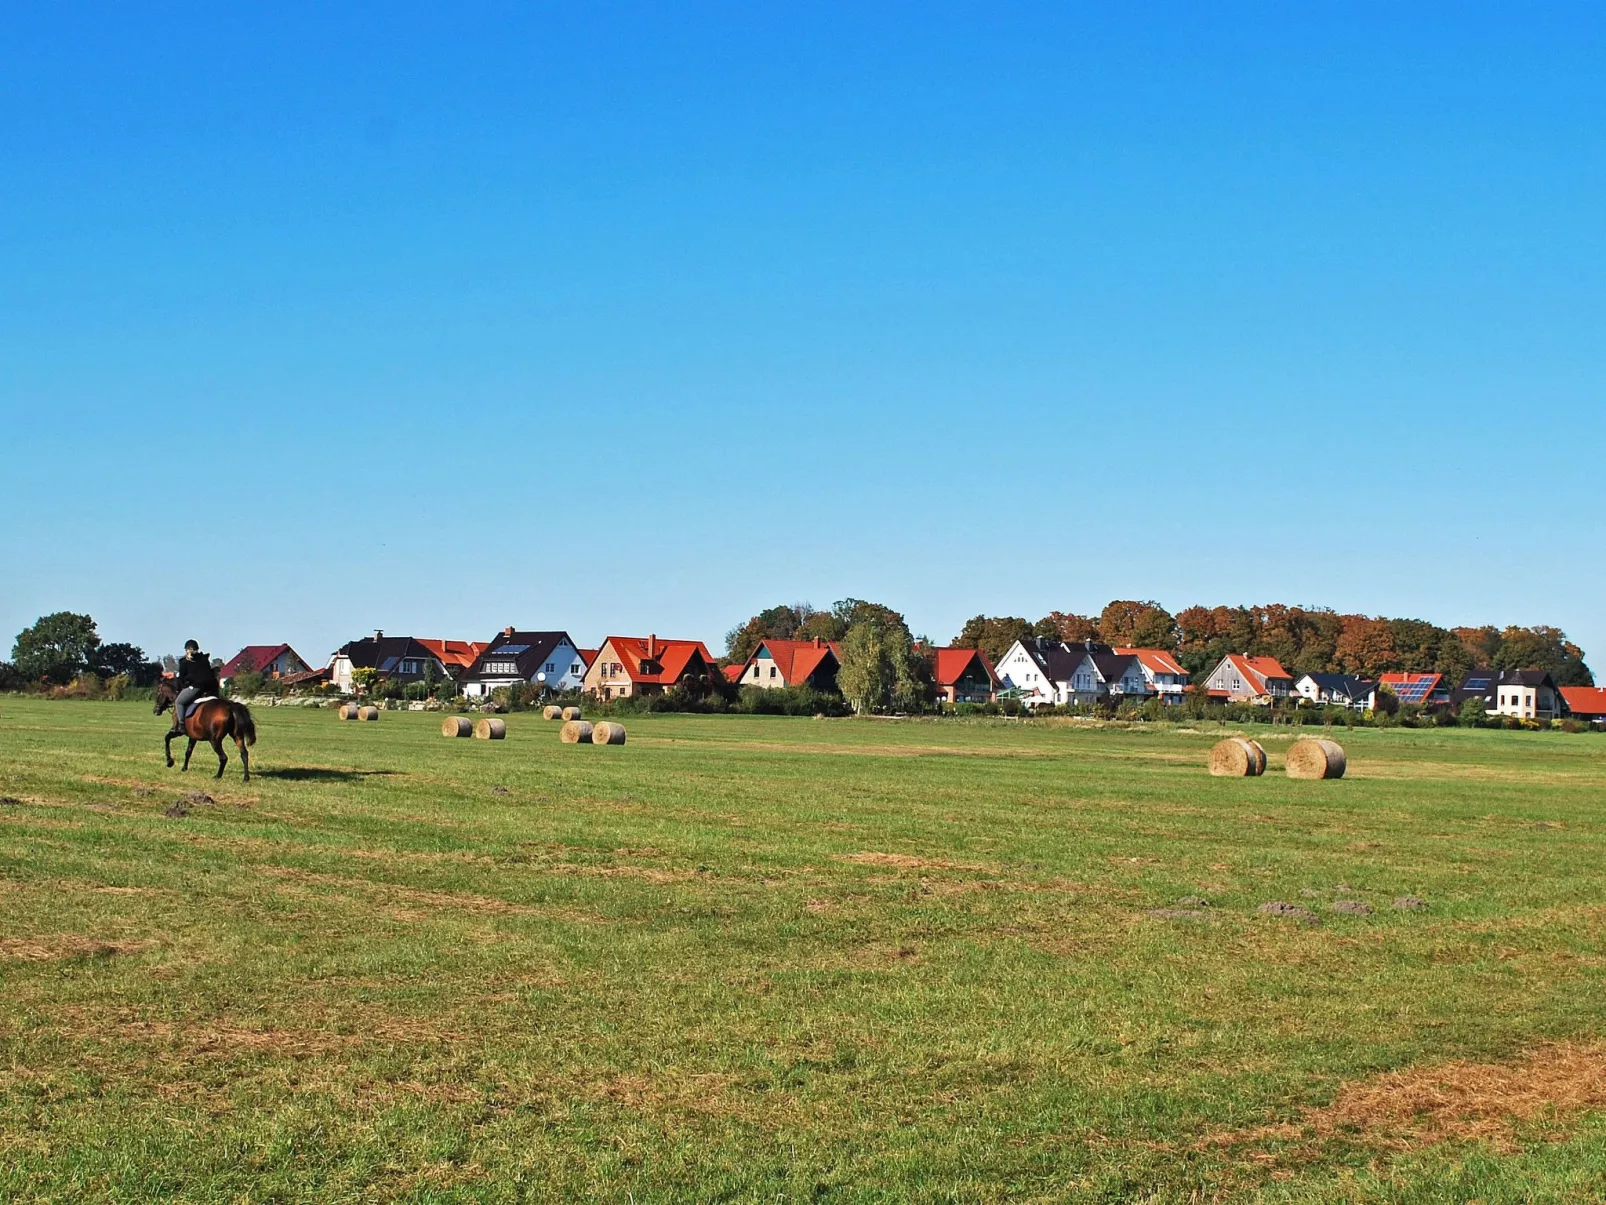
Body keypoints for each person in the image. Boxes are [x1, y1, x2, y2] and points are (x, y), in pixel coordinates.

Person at [171, 639, 222, 734]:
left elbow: (181, 678)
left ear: (188, 649)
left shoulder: (184, 661)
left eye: (186, 649)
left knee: (179, 702)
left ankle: (181, 725)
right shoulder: (204, 658)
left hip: (196, 687)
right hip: (211, 687)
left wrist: (182, 687)